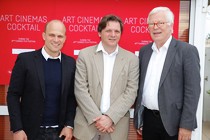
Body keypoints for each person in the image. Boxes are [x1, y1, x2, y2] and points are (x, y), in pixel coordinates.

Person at [134, 7, 201, 140]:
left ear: (171, 26)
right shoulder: (144, 52)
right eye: (151, 24)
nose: (155, 27)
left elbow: (192, 91)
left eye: (160, 23)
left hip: (174, 122)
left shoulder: (186, 51)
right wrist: (139, 117)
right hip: (148, 120)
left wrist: (186, 125)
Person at [7, 20, 77, 140]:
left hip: (59, 133)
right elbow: (13, 95)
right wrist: (17, 128)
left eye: (60, 36)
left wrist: (69, 125)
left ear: (65, 38)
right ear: (44, 35)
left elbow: (72, 97)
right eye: (52, 35)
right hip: (30, 132)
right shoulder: (25, 60)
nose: (56, 39)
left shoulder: (70, 63)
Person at [73, 14, 139, 140]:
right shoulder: (85, 55)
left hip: (115, 127)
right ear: (99, 32)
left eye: (117, 31)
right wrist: (98, 119)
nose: (113, 34)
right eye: (108, 30)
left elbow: (131, 92)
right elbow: (80, 90)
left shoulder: (132, 60)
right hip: (87, 126)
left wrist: (110, 118)